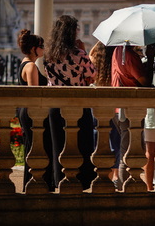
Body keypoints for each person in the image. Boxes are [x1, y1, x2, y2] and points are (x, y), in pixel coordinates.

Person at [44, 15, 97, 190]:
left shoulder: (49, 55)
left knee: (58, 144)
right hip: (77, 104)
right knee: (82, 144)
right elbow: (92, 75)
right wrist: (84, 51)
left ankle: (59, 179)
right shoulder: (78, 54)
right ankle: (81, 180)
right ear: (71, 32)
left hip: (56, 105)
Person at [111, 41, 155, 190]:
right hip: (131, 110)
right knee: (130, 152)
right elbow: (146, 83)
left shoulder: (118, 51)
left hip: (118, 108)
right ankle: (125, 189)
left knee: (126, 150)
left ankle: (124, 186)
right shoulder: (130, 56)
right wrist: (150, 60)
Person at [15, 29, 48, 191]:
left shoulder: (24, 63)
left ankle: (29, 184)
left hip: (24, 110)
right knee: (34, 148)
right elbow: (34, 94)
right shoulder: (31, 67)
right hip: (31, 112)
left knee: (30, 147)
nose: (43, 49)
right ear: (34, 48)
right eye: (41, 46)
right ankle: (32, 184)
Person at [89, 41, 120, 187]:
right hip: (113, 108)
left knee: (100, 144)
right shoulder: (115, 62)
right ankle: (115, 177)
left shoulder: (95, 62)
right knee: (115, 144)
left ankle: (103, 177)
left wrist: (98, 44)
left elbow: (91, 54)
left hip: (96, 108)